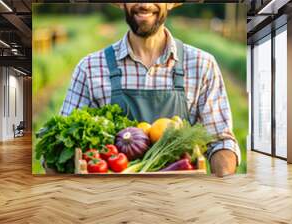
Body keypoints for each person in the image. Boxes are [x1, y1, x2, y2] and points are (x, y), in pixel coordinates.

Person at [61, 3, 240, 177]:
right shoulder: (90, 68)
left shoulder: (201, 64)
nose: (145, 4)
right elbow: (63, 143)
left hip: (181, 197)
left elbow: (220, 141)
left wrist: (223, 180)